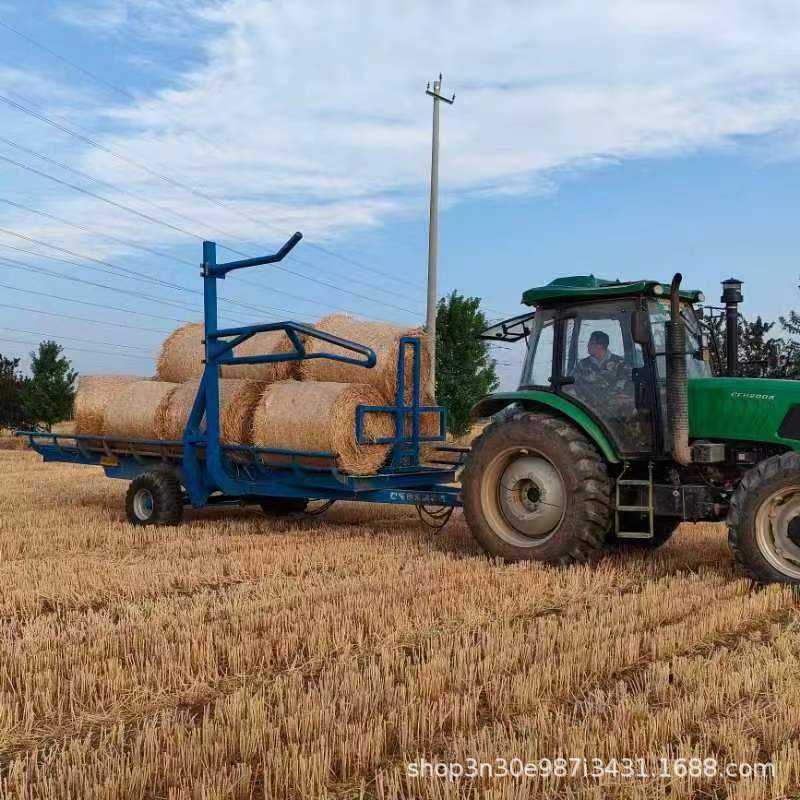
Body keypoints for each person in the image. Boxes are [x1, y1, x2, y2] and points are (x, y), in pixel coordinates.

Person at [572, 330, 630, 412]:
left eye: (591, 343)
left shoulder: (620, 364)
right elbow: (571, 384)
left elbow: (628, 387)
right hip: (587, 409)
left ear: (600, 346)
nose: (587, 346)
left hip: (614, 410)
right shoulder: (582, 365)